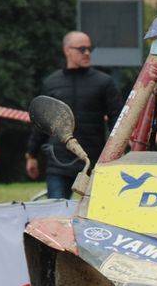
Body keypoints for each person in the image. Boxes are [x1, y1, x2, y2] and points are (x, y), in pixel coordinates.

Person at [27, 31, 123, 198]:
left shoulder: (104, 82)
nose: (87, 53)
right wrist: (31, 154)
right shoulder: (51, 83)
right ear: (67, 51)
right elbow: (41, 123)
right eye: (81, 49)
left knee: (96, 216)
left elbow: (118, 120)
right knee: (58, 215)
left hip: (94, 164)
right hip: (58, 164)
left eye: (89, 48)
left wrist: (116, 153)